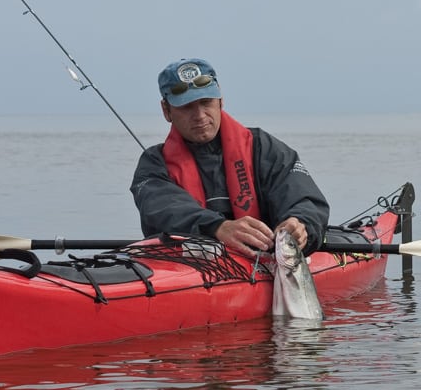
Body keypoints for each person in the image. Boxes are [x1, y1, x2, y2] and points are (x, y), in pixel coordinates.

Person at [131, 58, 329, 258]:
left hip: (265, 261)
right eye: (186, 107)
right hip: (188, 267)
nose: (199, 115)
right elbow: (162, 206)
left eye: (206, 102)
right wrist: (218, 227)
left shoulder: (263, 148)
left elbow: (305, 199)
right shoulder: (153, 164)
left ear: (220, 101)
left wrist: (301, 223)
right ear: (167, 111)